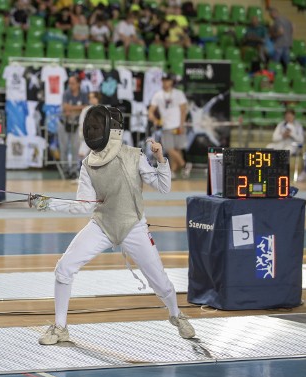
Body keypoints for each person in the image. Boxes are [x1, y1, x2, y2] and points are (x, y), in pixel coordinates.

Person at [29, 105, 195, 345]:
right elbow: (84, 206)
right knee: (64, 268)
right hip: (102, 225)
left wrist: (161, 160)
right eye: (92, 126)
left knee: (161, 283)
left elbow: (163, 187)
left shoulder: (133, 155)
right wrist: (46, 203)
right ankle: (60, 327)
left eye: (98, 126)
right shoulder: (88, 164)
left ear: (111, 130)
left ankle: (176, 315)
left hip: (133, 227)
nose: (94, 130)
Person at [148, 73, 191, 178]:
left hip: (178, 125)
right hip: (167, 126)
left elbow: (183, 110)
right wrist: (155, 120)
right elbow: (151, 111)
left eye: (167, 80)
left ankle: (174, 171)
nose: (165, 82)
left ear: (172, 81)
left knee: (176, 149)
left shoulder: (178, 93)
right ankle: (185, 165)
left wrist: (181, 124)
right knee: (169, 148)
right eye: (164, 80)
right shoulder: (158, 95)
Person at [60, 75, 88, 179]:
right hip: (64, 123)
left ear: (78, 84)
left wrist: (72, 108)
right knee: (64, 147)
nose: (70, 85)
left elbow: (85, 107)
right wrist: (78, 109)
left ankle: (73, 170)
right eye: (69, 83)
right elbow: (65, 107)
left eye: (73, 83)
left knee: (75, 147)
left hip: (76, 124)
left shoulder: (83, 94)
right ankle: (65, 169)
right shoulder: (66, 93)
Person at [77, 91, 101, 161]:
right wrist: (82, 135)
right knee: (83, 157)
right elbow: (81, 123)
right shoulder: (85, 110)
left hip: (100, 139)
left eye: (93, 97)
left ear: (98, 98)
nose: (91, 99)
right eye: (90, 98)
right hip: (87, 137)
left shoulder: (103, 110)